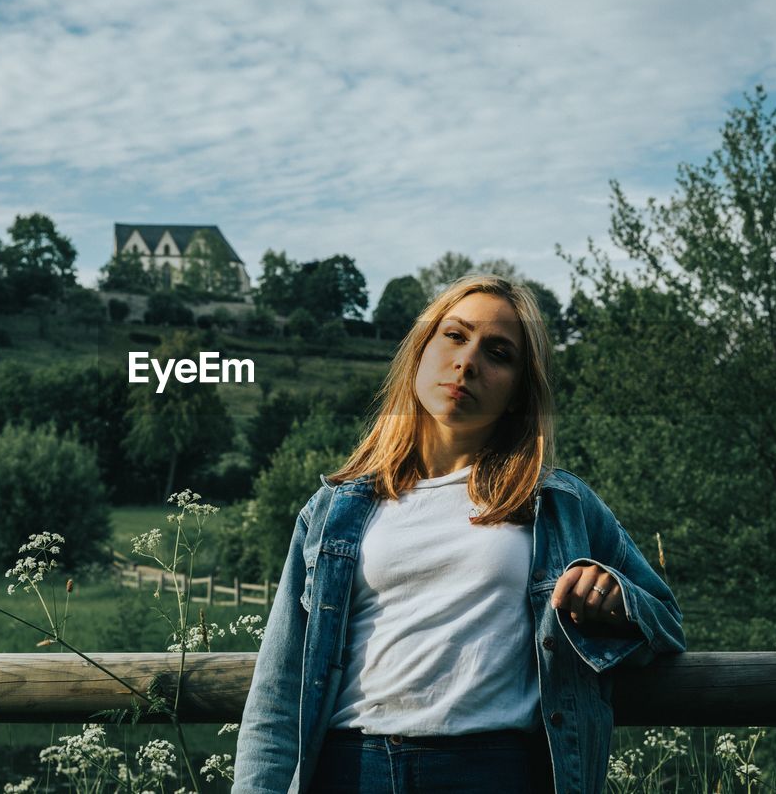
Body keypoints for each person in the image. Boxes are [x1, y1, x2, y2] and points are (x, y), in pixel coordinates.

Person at [232, 275, 685, 794]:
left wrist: (614, 597)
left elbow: (665, 620)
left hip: (493, 770)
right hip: (349, 769)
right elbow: (279, 692)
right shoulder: (332, 510)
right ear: (420, 353)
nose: (468, 361)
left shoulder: (558, 504)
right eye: (454, 336)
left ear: (519, 391)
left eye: (498, 352)